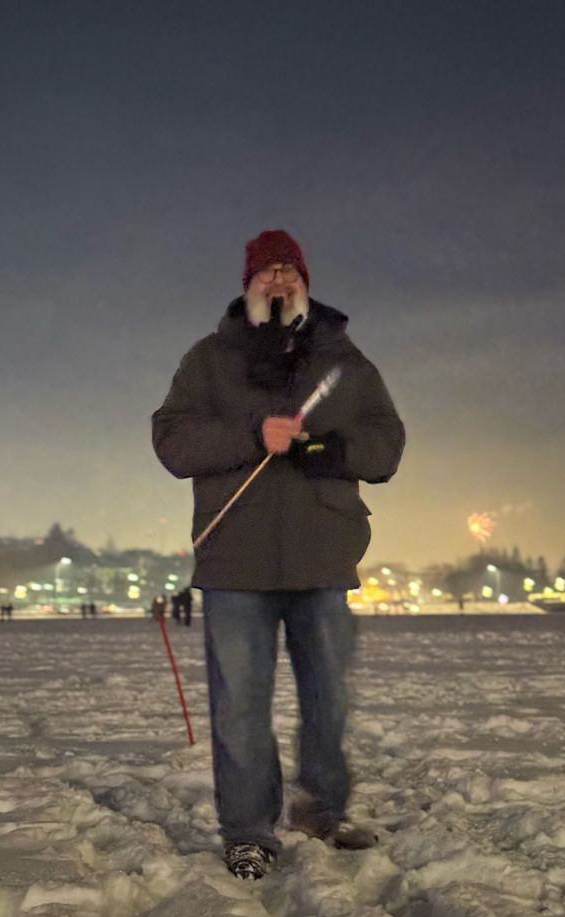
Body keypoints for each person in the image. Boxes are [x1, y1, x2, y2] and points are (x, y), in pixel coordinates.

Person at [152, 229, 404, 880]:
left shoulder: (344, 361)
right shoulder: (208, 360)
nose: (279, 278)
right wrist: (250, 434)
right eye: (266, 270)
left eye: (290, 269)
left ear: (305, 283)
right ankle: (248, 832)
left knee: (329, 701)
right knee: (239, 707)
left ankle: (322, 810)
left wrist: (330, 450)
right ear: (247, 284)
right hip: (236, 562)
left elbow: (387, 444)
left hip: (322, 557)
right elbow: (173, 442)